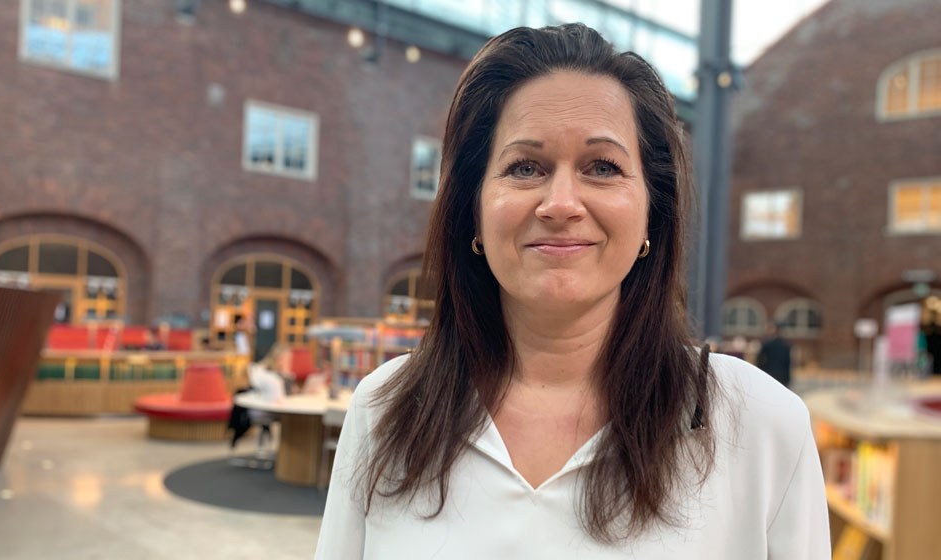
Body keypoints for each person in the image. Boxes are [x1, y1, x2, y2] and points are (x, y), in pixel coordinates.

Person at [316, 24, 830, 558]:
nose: (560, 204)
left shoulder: (760, 426)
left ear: (653, 211)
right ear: (473, 209)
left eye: (602, 167)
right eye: (525, 167)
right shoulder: (386, 410)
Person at [756, 322, 793, 388]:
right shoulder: (786, 345)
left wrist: (761, 373)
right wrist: (788, 379)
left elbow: (760, 360)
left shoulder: (766, 344)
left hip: (769, 376)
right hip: (782, 377)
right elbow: (788, 363)